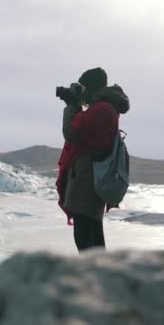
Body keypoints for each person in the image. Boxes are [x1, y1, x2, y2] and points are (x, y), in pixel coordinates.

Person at [56, 67, 130, 251]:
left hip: (87, 183)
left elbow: (72, 132)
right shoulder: (102, 108)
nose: (81, 92)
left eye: (82, 88)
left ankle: (95, 276)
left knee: (86, 240)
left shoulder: (103, 109)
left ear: (90, 88)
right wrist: (76, 104)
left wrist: (72, 105)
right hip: (86, 179)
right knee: (91, 237)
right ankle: (99, 276)